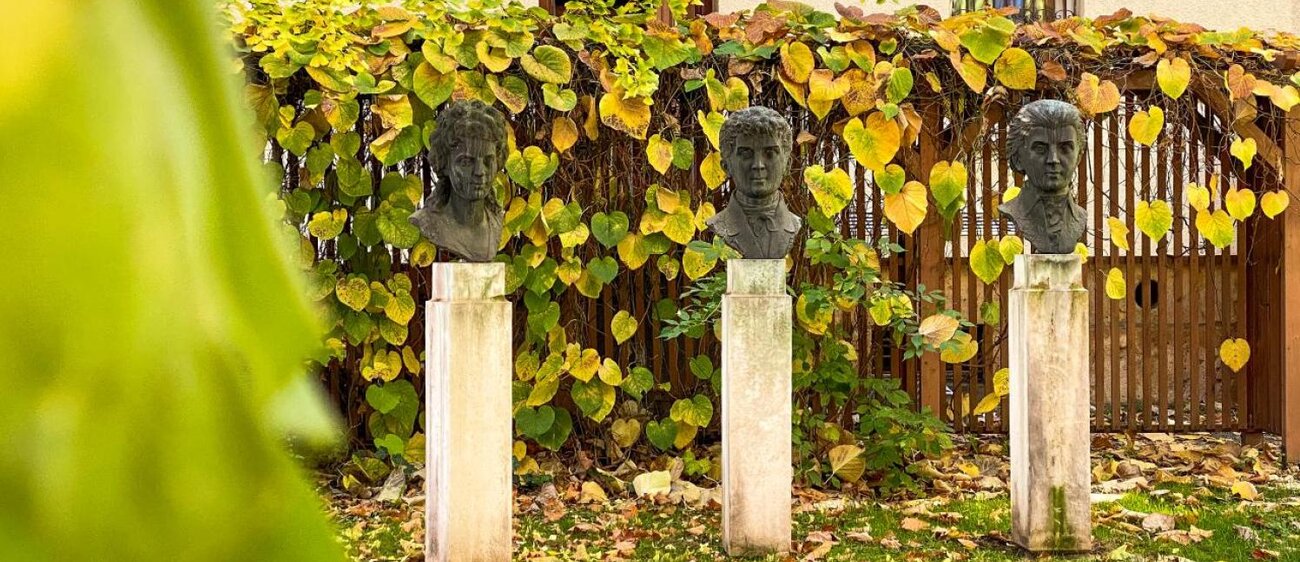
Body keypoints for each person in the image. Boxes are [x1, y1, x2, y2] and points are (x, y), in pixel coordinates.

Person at [410, 100, 509, 262]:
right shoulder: (428, 222)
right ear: (445, 163)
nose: (479, 172)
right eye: (466, 162)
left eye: (488, 161)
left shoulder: (496, 222)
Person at [705, 106, 802, 259]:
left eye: (769, 153)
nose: (758, 165)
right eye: (746, 154)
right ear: (726, 166)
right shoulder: (720, 224)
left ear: (787, 165)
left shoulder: (794, 224)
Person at [998, 99, 1087, 254]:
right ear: (1018, 159)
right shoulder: (1013, 211)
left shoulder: (1080, 217)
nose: (1053, 159)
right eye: (1040, 148)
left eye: (1065, 148)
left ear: (1078, 157)